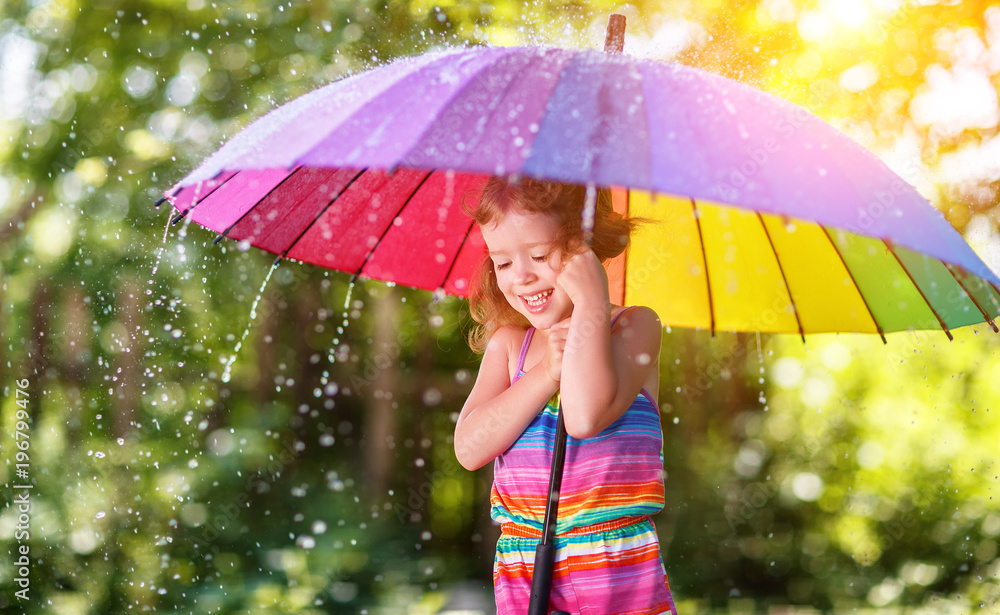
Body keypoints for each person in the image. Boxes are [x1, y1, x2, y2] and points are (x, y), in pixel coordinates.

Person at [455, 177, 678, 615]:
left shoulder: (634, 328)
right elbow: (469, 448)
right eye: (502, 262)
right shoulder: (509, 345)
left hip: (613, 564)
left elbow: (584, 417)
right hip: (526, 563)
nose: (521, 276)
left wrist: (592, 302)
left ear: (585, 248)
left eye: (539, 255)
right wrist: (543, 374)